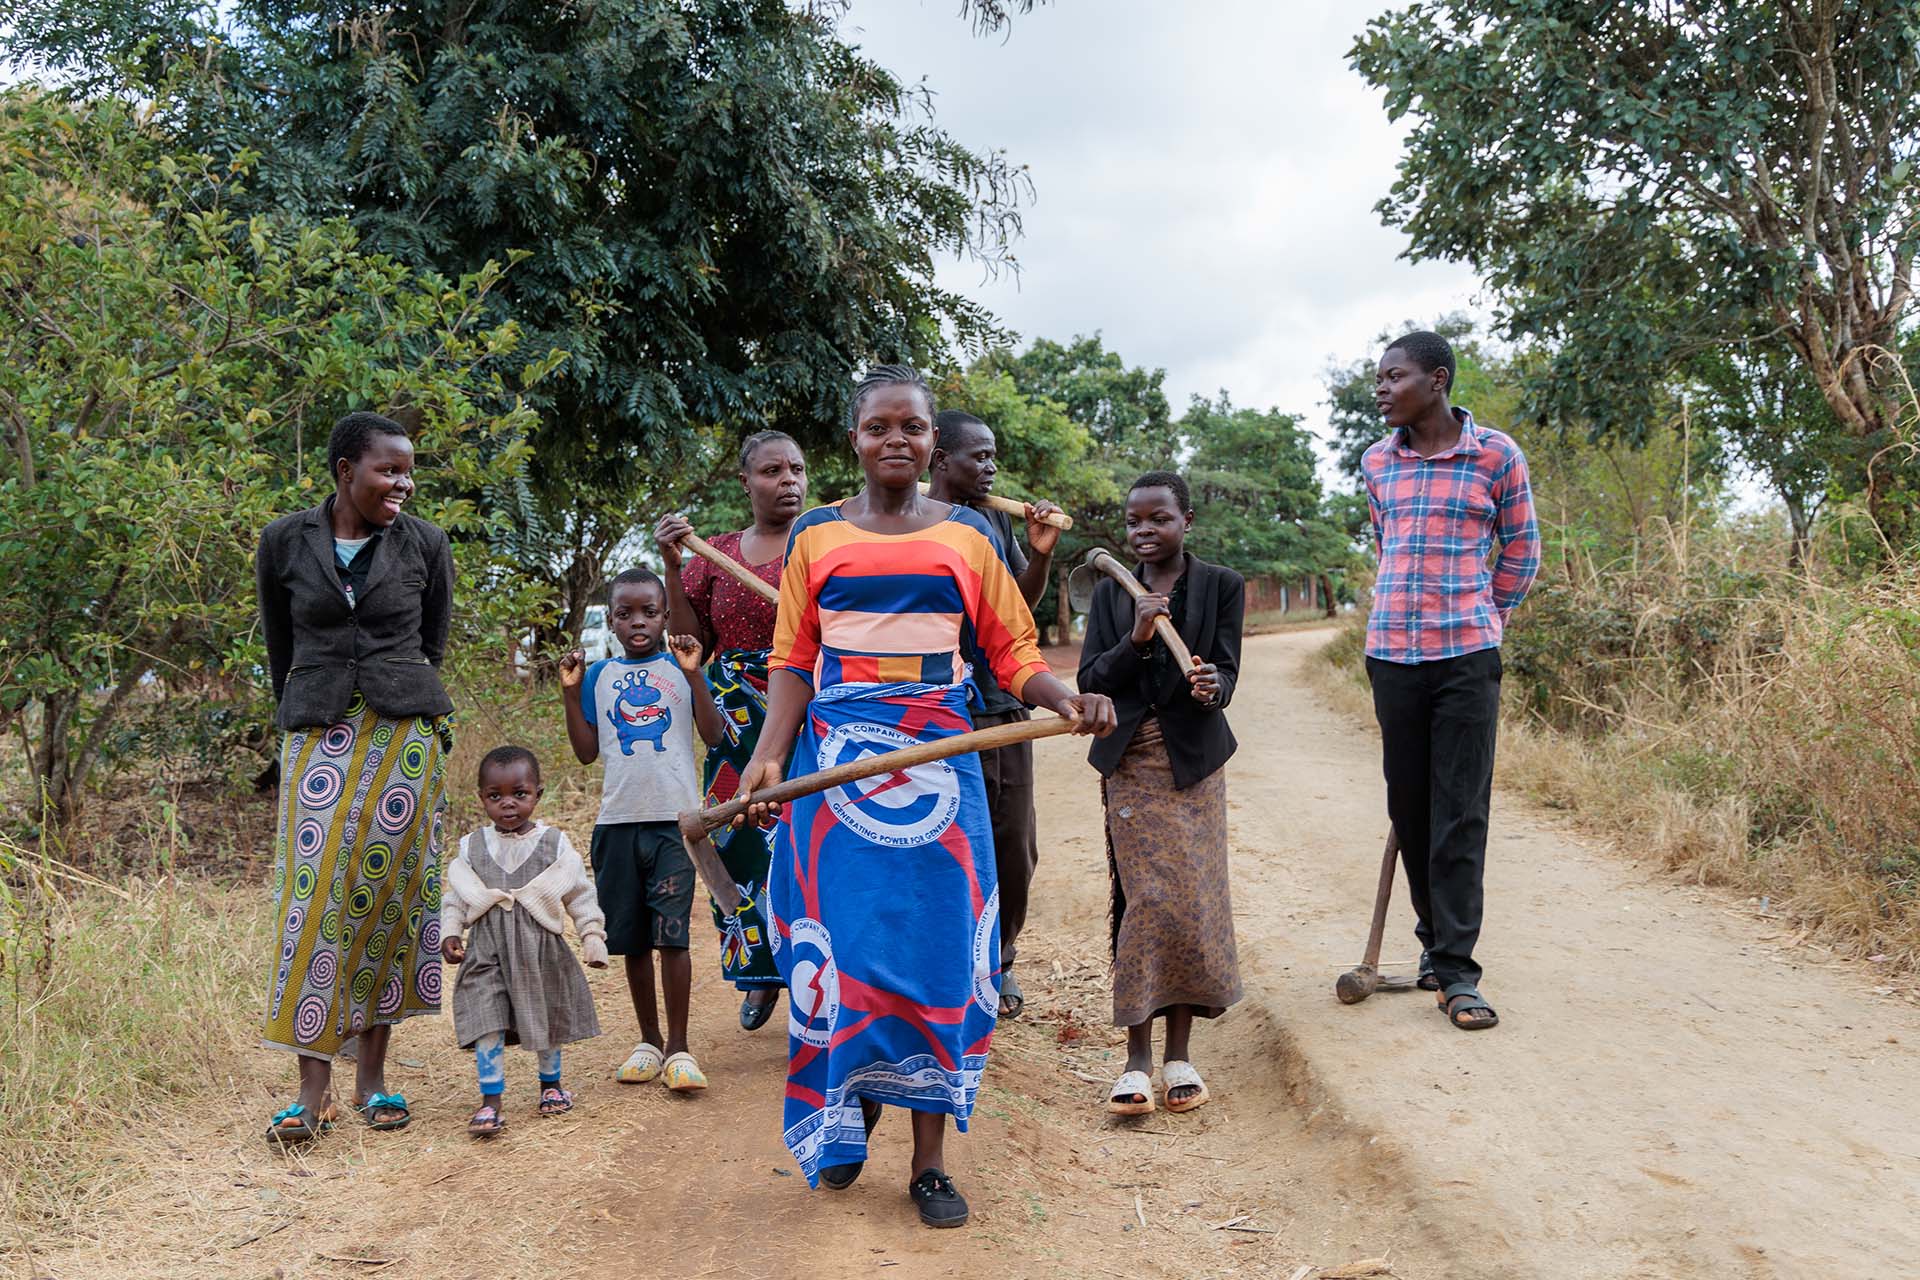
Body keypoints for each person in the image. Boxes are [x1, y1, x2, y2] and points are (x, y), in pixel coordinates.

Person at [735, 365, 1116, 1228]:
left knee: (944, 953)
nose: (896, 440)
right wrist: (768, 758)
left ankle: (932, 1164)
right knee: (845, 950)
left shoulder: (972, 536)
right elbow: (794, 659)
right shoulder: (819, 538)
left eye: (912, 426)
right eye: (879, 427)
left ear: (932, 441)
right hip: (835, 767)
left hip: (942, 760)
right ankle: (843, 1118)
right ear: (856, 441)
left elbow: (1011, 651)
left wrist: (1066, 699)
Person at [255, 410, 455, 1144]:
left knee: (388, 899)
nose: (402, 483)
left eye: (408, 470)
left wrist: (391, 692)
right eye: (388, 470)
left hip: (403, 734)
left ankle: (373, 1086)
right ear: (345, 470)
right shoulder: (284, 540)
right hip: (317, 731)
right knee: (312, 900)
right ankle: (312, 1094)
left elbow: (429, 641)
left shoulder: (425, 543)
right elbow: (283, 644)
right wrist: (308, 708)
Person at [1363, 329, 1539, 1031]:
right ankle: (1433, 948)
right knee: (1410, 812)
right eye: (1378, 377)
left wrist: (1483, 614)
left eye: (1394, 376)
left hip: (1466, 658)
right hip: (1392, 659)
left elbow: (1522, 547)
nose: (1381, 388)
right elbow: (1386, 540)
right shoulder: (1377, 460)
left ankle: (1458, 973)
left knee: (1460, 814)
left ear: (1437, 380)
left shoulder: (1496, 455)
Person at [1078, 470, 1244, 1117]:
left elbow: (1227, 668)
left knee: (1191, 900)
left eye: (1159, 519)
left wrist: (1213, 685)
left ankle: (1180, 1054)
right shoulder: (1113, 591)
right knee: (1143, 898)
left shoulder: (1222, 585)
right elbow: (1092, 676)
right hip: (1131, 763)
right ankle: (1136, 1060)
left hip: (1194, 765)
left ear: (1187, 522)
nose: (1144, 532)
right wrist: (1138, 637)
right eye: (1134, 522)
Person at [652, 430, 808, 1032]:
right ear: (746, 482)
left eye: (796, 468)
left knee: (809, 844)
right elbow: (693, 640)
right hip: (735, 719)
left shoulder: (823, 543)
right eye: (772, 471)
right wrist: (673, 566)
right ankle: (761, 976)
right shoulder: (714, 552)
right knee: (739, 843)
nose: (788, 480)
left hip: (809, 708)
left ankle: (814, 978)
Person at [559, 570, 726, 1089]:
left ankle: (679, 1049)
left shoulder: (682, 669)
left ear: (664, 617)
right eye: (626, 613)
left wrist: (696, 675)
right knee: (632, 941)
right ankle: (648, 1042)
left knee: (672, 937)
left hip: (674, 824)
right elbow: (587, 753)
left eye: (649, 612)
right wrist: (569, 693)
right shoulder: (598, 676)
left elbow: (715, 734)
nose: (637, 622)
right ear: (610, 620)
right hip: (616, 824)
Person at [925, 410, 1063, 1021]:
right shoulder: (920, 525)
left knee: (1013, 841)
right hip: (936, 709)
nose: (990, 468)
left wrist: (1038, 556)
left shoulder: (986, 524)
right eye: (977, 456)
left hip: (1003, 703)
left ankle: (1001, 959)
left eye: (992, 456)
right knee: (944, 841)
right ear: (939, 460)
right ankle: (952, 962)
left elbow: (1016, 611)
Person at [440, 746, 607, 1136]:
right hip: (486, 949)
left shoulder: (553, 844)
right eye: (495, 796)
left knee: (544, 1014)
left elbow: (579, 893)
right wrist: (451, 932)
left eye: (519, 793)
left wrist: (592, 935)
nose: (508, 804)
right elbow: (457, 896)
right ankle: (490, 1101)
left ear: (538, 794)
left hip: (539, 948)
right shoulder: (473, 847)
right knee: (486, 1018)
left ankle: (551, 1086)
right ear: (482, 798)